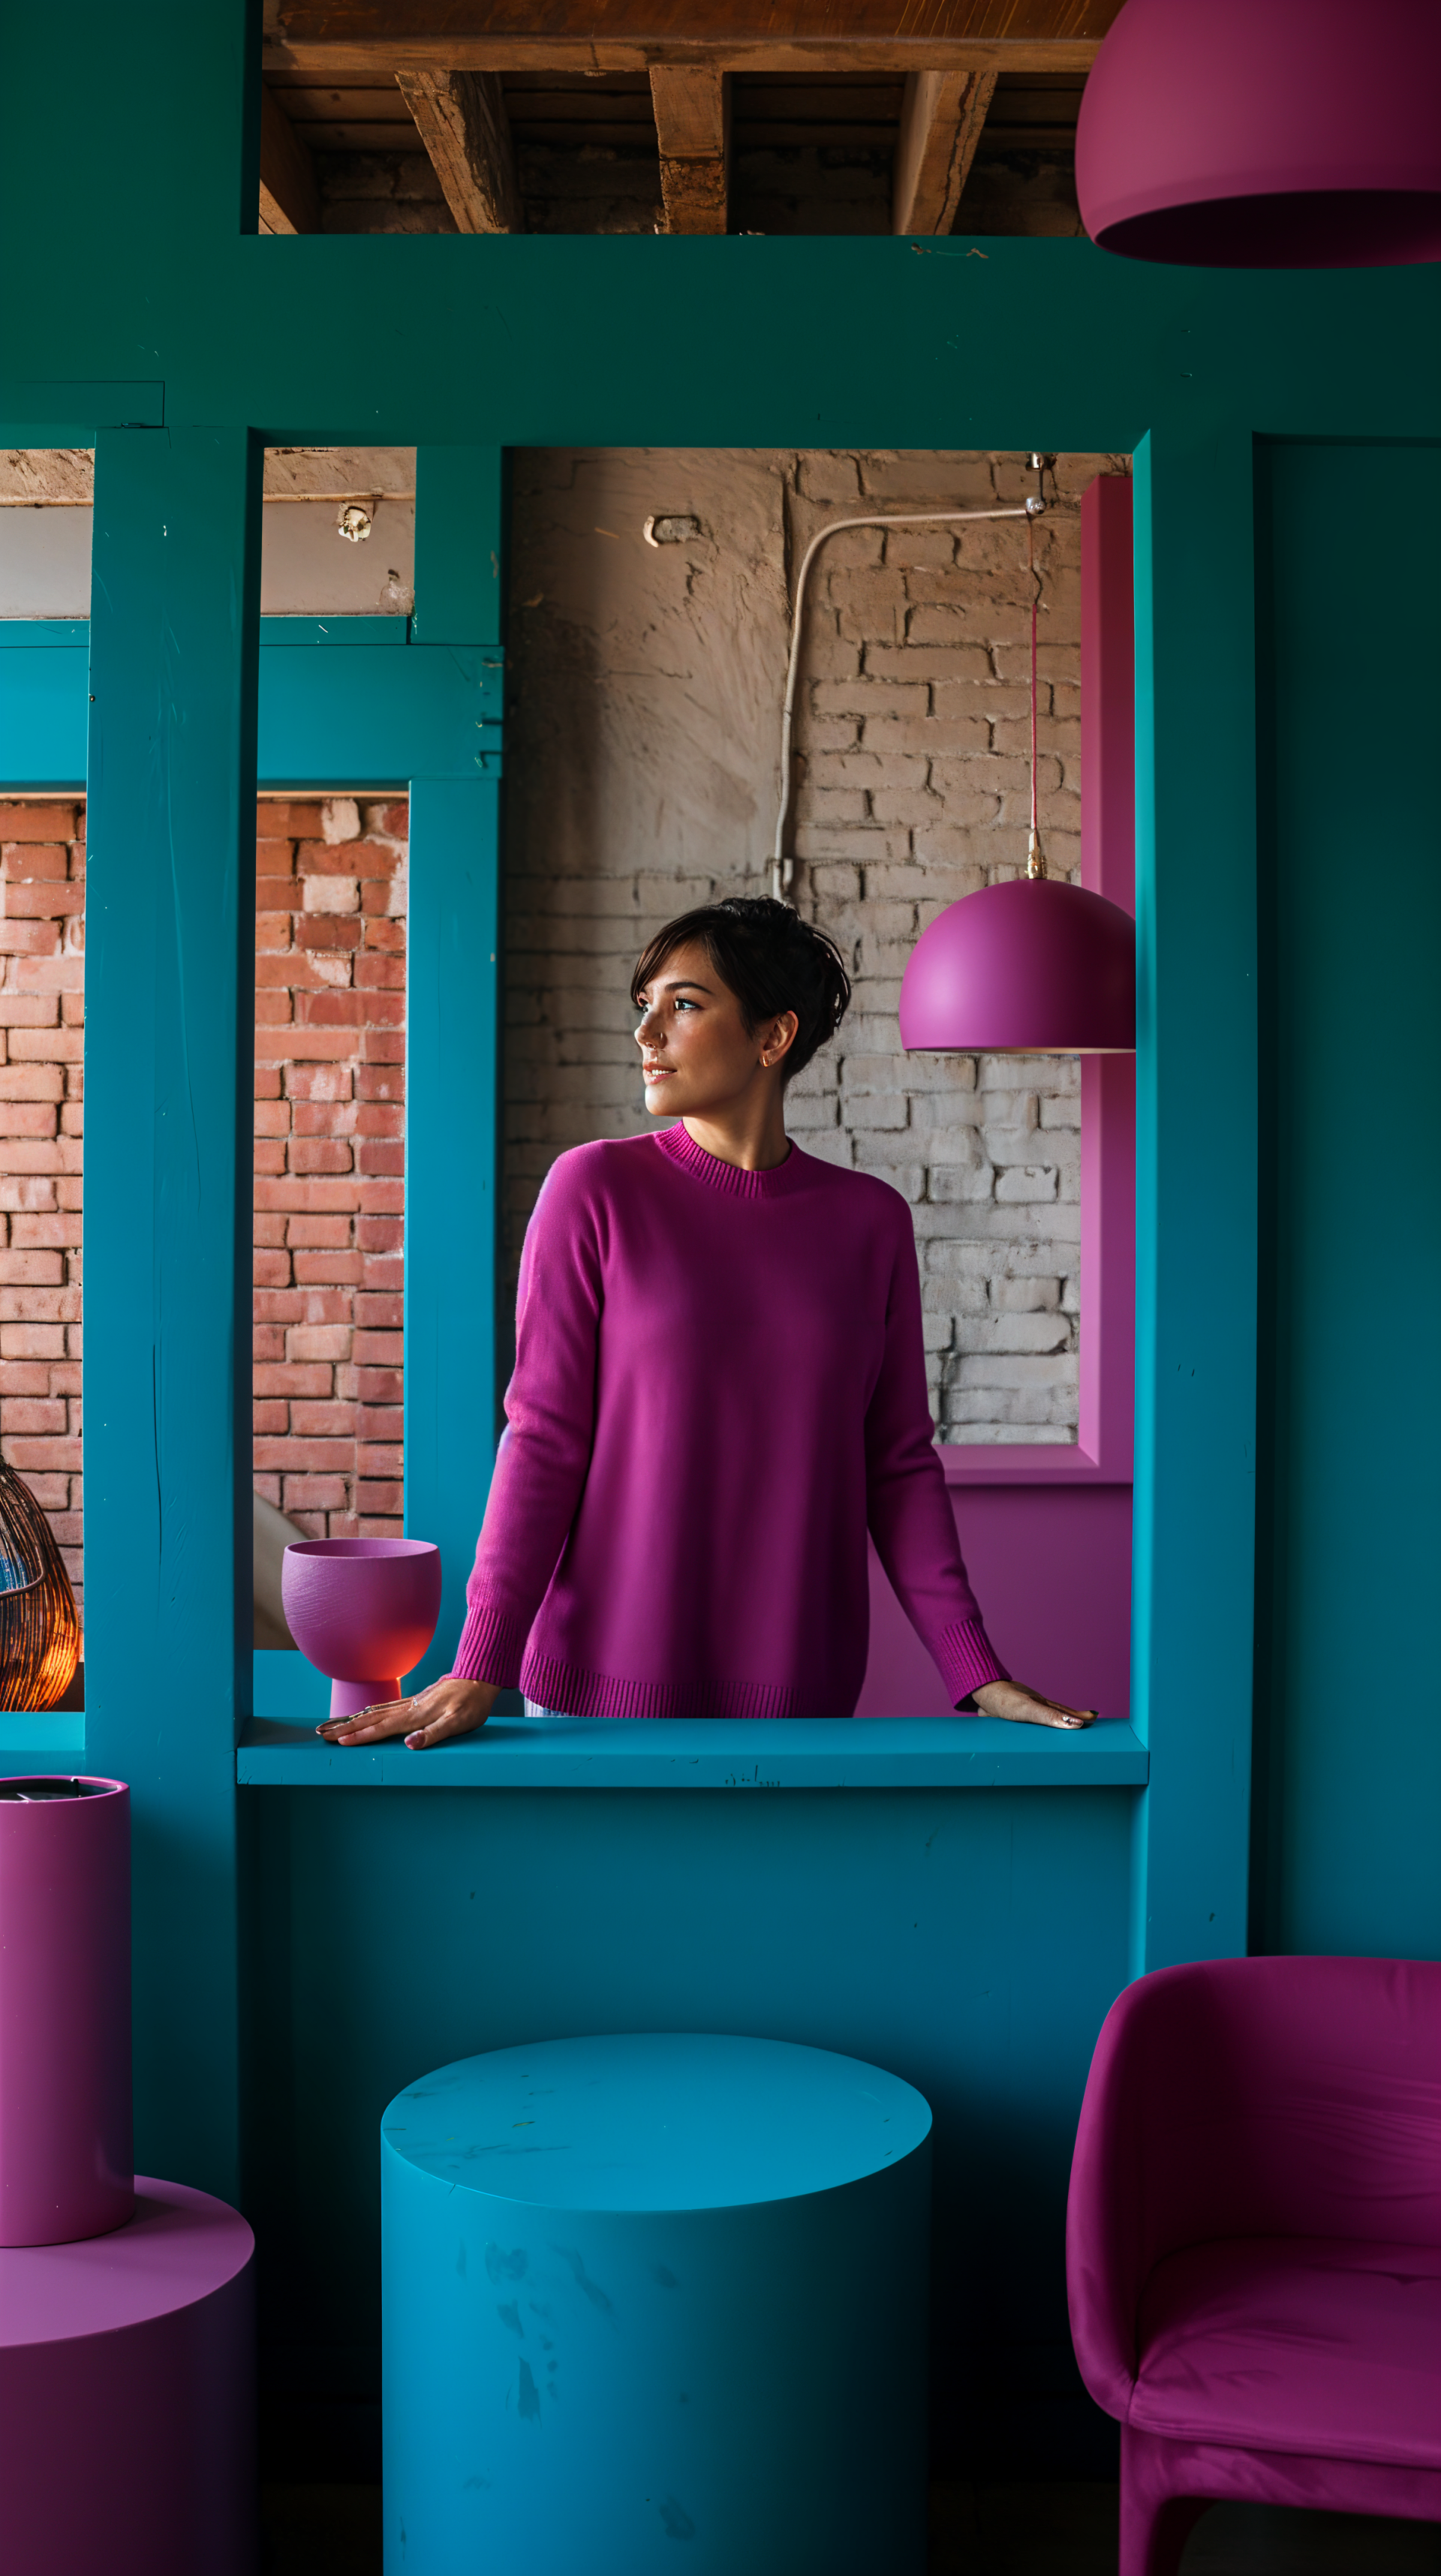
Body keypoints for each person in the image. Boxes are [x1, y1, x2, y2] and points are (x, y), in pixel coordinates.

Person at [319, 897, 1095, 1751]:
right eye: (643, 1004)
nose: (647, 1032)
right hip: (597, 1692)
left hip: (801, 1693)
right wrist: (481, 1662)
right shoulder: (593, 1192)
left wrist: (975, 1669)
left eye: (683, 1004)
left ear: (773, 1037)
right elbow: (541, 1439)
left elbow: (898, 1464)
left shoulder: (869, 1222)